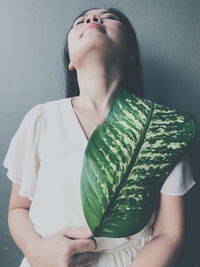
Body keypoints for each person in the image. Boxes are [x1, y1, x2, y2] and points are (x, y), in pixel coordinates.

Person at [3, 7, 197, 267]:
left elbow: (169, 233)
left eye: (108, 17)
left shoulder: (163, 127)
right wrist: (36, 250)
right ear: (70, 60)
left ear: (130, 53)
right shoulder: (41, 119)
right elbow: (18, 208)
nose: (92, 19)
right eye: (80, 21)